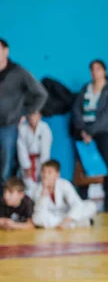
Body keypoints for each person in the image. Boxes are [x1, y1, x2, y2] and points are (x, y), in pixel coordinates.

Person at [71, 60, 108, 211]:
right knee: (84, 166)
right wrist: (82, 130)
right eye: (92, 69)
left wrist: (91, 131)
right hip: (84, 132)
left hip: (104, 132)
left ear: (105, 71)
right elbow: (76, 110)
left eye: (98, 69)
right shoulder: (86, 88)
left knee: (107, 167)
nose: (94, 72)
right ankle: (82, 201)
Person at [0, 38, 48, 187]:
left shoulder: (18, 72)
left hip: (8, 126)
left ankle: (5, 203)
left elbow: (41, 94)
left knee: (5, 166)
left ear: (6, 51)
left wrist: (26, 113)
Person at [31, 160, 96, 230]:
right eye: (43, 172)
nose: (45, 175)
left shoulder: (65, 184)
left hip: (68, 215)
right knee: (36, 219)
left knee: (91, 206)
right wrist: (44, 192)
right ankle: (74, 224)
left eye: (49, 172)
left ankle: (67, 224)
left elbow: (77, 203)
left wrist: (66, 220)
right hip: (53, 217)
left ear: (57, 174)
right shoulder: (37, 189)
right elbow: (39, 211)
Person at [16, 111, 53, 193]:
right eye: (31, 115)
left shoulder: (44, 128)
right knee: (28, 183)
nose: (32, 117)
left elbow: (45, 147)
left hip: (41, 160)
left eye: (35, 115)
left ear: (40, 116)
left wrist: (44, 165)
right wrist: (27, 166)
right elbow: (21, 149)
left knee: (44, 180)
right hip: (29, 160)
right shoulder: (23, 129)